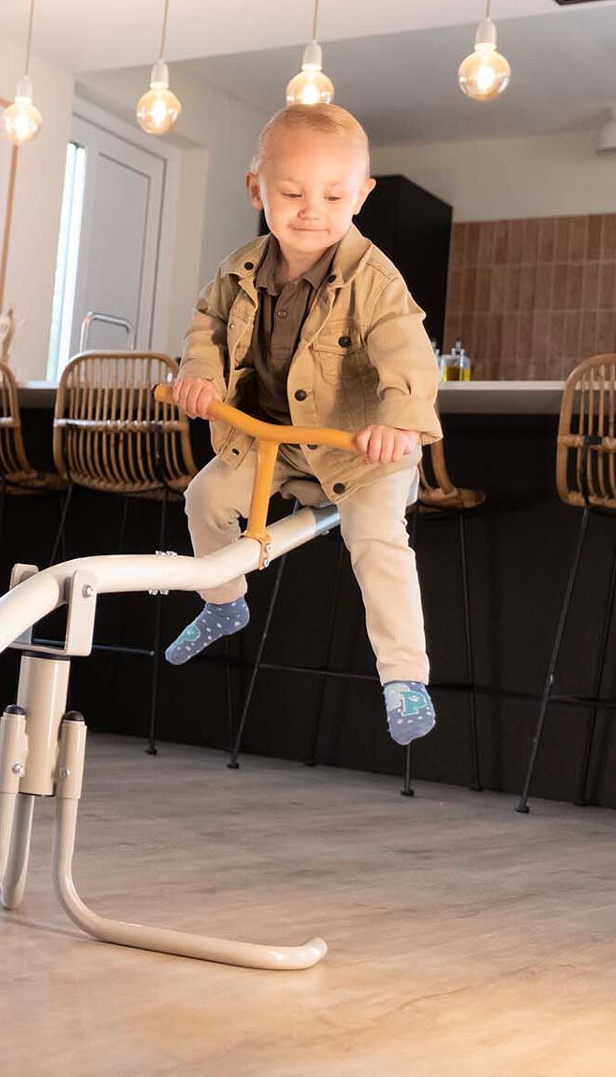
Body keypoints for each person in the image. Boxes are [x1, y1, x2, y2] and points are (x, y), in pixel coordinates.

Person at [165, 103, 441, 746]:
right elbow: (204, 328)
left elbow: (408, 353)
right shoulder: (238, 268)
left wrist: (399, 424)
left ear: (362, 196)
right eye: (290, 192)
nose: (310, 209)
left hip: (358, 451)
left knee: (377, 543)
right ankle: (223, 601)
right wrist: (199, 374)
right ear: (256, 188)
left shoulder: (375, 281)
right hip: (273, 443)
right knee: (204, 497)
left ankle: (404, 677)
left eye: (333, 195)